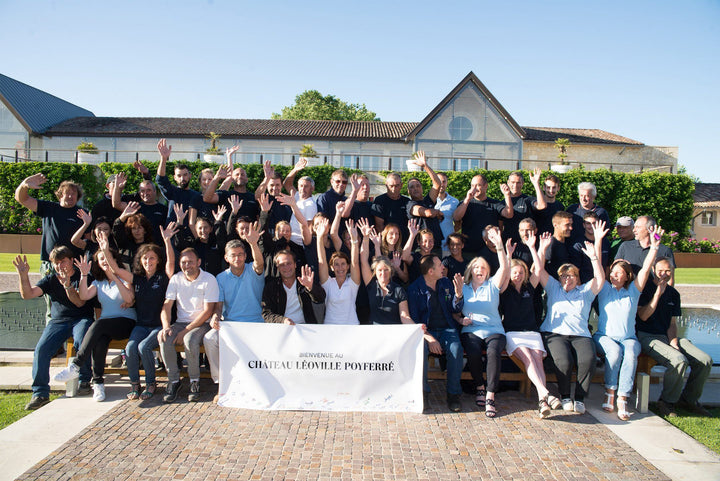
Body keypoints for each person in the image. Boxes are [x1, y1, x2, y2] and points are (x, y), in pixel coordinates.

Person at [593, 224, 663, 420]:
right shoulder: (604, 289)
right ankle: (610, 392)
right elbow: (597, 264)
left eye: (618, 272)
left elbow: (647, 268)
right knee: (614, 354)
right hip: (604, 337)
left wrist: (655, 247)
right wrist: (598, 240)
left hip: (628, 338)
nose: (614, 274)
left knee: (631, 353)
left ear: (626, 276)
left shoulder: (633, 291)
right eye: (613, 271)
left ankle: (623, 398)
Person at [54, 238, 137, 402]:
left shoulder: (125, 277)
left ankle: (76, 365)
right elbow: (83, 296)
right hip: (104, 326)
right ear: (97, 263)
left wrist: (115, 276)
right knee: (99, 340)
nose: (105, 262)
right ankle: (98, 383)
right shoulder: (98, 283)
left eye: (108, 259)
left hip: (126, 323)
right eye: (101, 260)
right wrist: (84, 274)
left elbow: (129, 297)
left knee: (98, 324)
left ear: (114, 260)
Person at [537, 220, 608, 414]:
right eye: (563, 276)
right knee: (564, 361)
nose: (567, 279)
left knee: (588, 358)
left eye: (571, 276)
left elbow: (600, 279)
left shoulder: (585, 291)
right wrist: (542, 250)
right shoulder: (553, 287)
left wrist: (594, 256)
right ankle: (565, 395)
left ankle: (580, 397)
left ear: (578, 278)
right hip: (555, 333)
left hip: (580, 334)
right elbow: (539, 271)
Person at [14, 247, 94, 410]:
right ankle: (40, 393)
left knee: (81, 342)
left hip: (81, 318)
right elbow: (27, 294)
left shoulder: (82, 276)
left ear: (71, 261)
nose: (59, 266)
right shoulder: (50, 279)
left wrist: (67, 286)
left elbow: (79, 302)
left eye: (62, 261)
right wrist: (23, 276)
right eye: (56, 263)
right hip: (59, 321)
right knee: (41, 350)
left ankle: (84, 380)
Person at [637, 258, 713, 417]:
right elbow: (643, 316)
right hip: (647, 336)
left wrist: (674, 342)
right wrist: (658, 294)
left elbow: (672, 323)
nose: (664, 274)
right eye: (661, 270)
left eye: (668, 271)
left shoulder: (674, 294)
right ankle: (667, 402)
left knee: (704, 360)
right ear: (653, 269)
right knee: (678, 360)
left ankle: (688, 399)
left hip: (666, 336)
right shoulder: (644, 289)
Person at [500, 232, 562, 417]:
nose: (518, 276)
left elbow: (539, 268)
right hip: (512, 333)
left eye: (520, 272)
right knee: (527, 357)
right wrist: (508, 255)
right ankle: (545, 393)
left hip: (531, 331)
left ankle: (543, 402)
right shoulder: (504, 288)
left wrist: (534, 247)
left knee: (537, 359)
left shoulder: (529, 287)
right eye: (514, 273)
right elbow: (503, 271)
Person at [120, 224, 177, 401]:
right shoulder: (136, 278)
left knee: (143, 347)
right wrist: (105, 250)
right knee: (130, 347)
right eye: (145, 258)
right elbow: (116, 270)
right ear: (140, 260)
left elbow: (171, 263)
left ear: (157, 260)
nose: (148, 261)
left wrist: (167, 241)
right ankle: (135, 384)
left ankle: (151, 383)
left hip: (158, 326)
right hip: (141, 325)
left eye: (152, 258)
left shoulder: (163, 276)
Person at [458, 228, 510, 418]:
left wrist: (499, 246)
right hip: (471, 329)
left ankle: (490, 395)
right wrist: (460, 319)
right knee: (472, 352)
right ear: (471, 270)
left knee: (493, 352)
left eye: (483, 268)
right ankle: (479, 386)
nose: (479, 270)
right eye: (476, 267)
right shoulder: (463, 287)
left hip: (494, 329)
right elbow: (454, 309)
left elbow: (504, 268)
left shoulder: (493, 285)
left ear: (488, 272)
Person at [204, 231, 265, 392]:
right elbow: (218, 307)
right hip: (231, 327)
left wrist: (253, 244)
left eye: (240, 254)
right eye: (233, 255)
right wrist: (215, 318)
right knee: (209, 339)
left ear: (246, 256)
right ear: (226, 258)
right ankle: (221, 382)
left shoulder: (253, 270)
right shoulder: (220, 278)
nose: (237, 258)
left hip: (256, 324)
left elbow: (259, 264)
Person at [158, 248, 219, 403]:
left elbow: (208, 311)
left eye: (191, 262)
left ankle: (194, 381)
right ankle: (173, 381)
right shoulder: (176, 279)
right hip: (180, 322)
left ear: (198, 262)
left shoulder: (209, 279)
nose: (187, 265)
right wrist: (166, 326)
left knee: (190, 340)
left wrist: (186, 331)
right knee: (165, 338)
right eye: (184, 262)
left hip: (202, 323)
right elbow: (167, 305)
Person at [407, 254, 464, 412]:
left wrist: (458, 295)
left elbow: (455, 309)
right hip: (425, 332)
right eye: (440, 265)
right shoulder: (414, 290)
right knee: (421, 351)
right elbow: (415, 321)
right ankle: (423, 393)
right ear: (431, 271)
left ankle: (453, 395)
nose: (443, 267)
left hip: (447, 328)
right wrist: (430, 338)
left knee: (456, 349)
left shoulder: (446, 283)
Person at [15, 175, 86, 274]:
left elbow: (88, 239)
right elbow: (23, 199)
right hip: (51, 263)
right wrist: (23, 186)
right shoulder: (48, 208)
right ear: (60, 195)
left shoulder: (83, 214)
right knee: (48, 290)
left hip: (75, 265)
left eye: (74, 193)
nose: (70, 196)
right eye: (67, 193)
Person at [358, 218, 413, 325]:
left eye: (386, 270)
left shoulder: (399, 291)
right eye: (380, 270)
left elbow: (405, 316)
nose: (383, 273)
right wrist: (365, 238)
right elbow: (364, 260)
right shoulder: (372, 286)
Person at [452, 174, 513, 258]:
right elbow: (456, 217)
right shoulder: (465, 203)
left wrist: (507, 196)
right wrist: (467, 199)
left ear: (486, 186)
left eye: (478, 185)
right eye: (472, 185)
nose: (474, 188)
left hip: (490, 252)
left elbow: (509, 214)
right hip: (469, 251)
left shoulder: (495, 204)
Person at [316, 218, 361, 325]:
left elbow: (355, 262)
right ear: (331, 267)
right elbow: (322, 261)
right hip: (330, 328)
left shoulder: (352, 283)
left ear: (348, 266)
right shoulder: (328, 283)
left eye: (343, 264)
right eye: (336, 264)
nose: (340, 267)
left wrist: (354, 240)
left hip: (352, 327)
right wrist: (319, 237)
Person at [262, 251, 325, 324]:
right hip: (282, 327)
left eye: (289, 263)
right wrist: (283, 320)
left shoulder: (304, 281)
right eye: (282, 265)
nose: (286, 267)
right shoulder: (271, 287)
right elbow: (266, 314)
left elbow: (321, 298)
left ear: (295, 264)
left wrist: (310, 287)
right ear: (277, 267)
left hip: (306, 328)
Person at [155, 139, 201, 228]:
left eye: (185, 175)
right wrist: (164, 159)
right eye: (179, 176)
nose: (182, 178)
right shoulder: (172, 192)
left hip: (190, 236)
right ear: (174, 178)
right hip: (172, 235)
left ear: (190, 176)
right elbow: (160, 179)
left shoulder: (196, 195)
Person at [616, 215, 675, 283]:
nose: (634, 230)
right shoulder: (625, 246)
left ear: (650, 229)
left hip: (655, 292)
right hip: (631, 292)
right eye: (634, 227)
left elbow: (670, 279)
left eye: (638, 227)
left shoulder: (665, 250)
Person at [111, 172, 168, 242]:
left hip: (157, 248)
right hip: (138, 248)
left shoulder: (164, 209)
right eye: (142, 191)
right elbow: (116, 204)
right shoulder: (135, 207)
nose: (145, 193)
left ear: (154, 191)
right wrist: (117, 187)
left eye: (148, 190)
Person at [406, 151, 444, 250]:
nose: (415, 189)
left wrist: (425, 166)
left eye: (418, 186)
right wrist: (438, 212)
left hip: (435, 246)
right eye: (412, 187)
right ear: (408, 191)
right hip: (421, 247)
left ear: (422, 189)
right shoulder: (410, 205)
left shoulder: (428, 200)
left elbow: (437, 184)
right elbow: (427, 213)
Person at [502, 168, 546, 244]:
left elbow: (542, 206)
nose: (515, 185)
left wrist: (536, 184)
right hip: (509, 244)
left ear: (522, 183)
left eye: (518, 182)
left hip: (527, 244)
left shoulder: (528, 200)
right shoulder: (503, 203)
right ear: (508, 183)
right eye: (512, 182)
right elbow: (500, 225)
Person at [282, 157, 318, 246]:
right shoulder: (297, 196)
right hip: (290, 241)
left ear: (312, 188)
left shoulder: (311, 205)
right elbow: (287, 184)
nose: (303, 189)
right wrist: (295, 169)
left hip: (299, 244)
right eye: (301, 186)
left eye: (306, 186)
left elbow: (309, 228)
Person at [372, 172, 410, 242]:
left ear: (401, 185)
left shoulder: (407, 201)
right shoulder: (379, 201)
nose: (394, 189)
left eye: (397, 186)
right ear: (386, 185)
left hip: (404, 242)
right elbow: (379, 226)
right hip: (388, 242)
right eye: (391, 186)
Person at [545, 211, 581, 279]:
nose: (571, 228)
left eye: (571, 224)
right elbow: (536, 268)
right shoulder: (550, 244)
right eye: (567, 225)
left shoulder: (569, 242)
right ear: (555, 225)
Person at [435, 172, 459, 257]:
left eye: (444, 181)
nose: (441, 184)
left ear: (447, 183)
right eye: (438, 181)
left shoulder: (454, 202)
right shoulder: (428, 201)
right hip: (432, 246)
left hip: (448, 247)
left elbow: (458, 224)